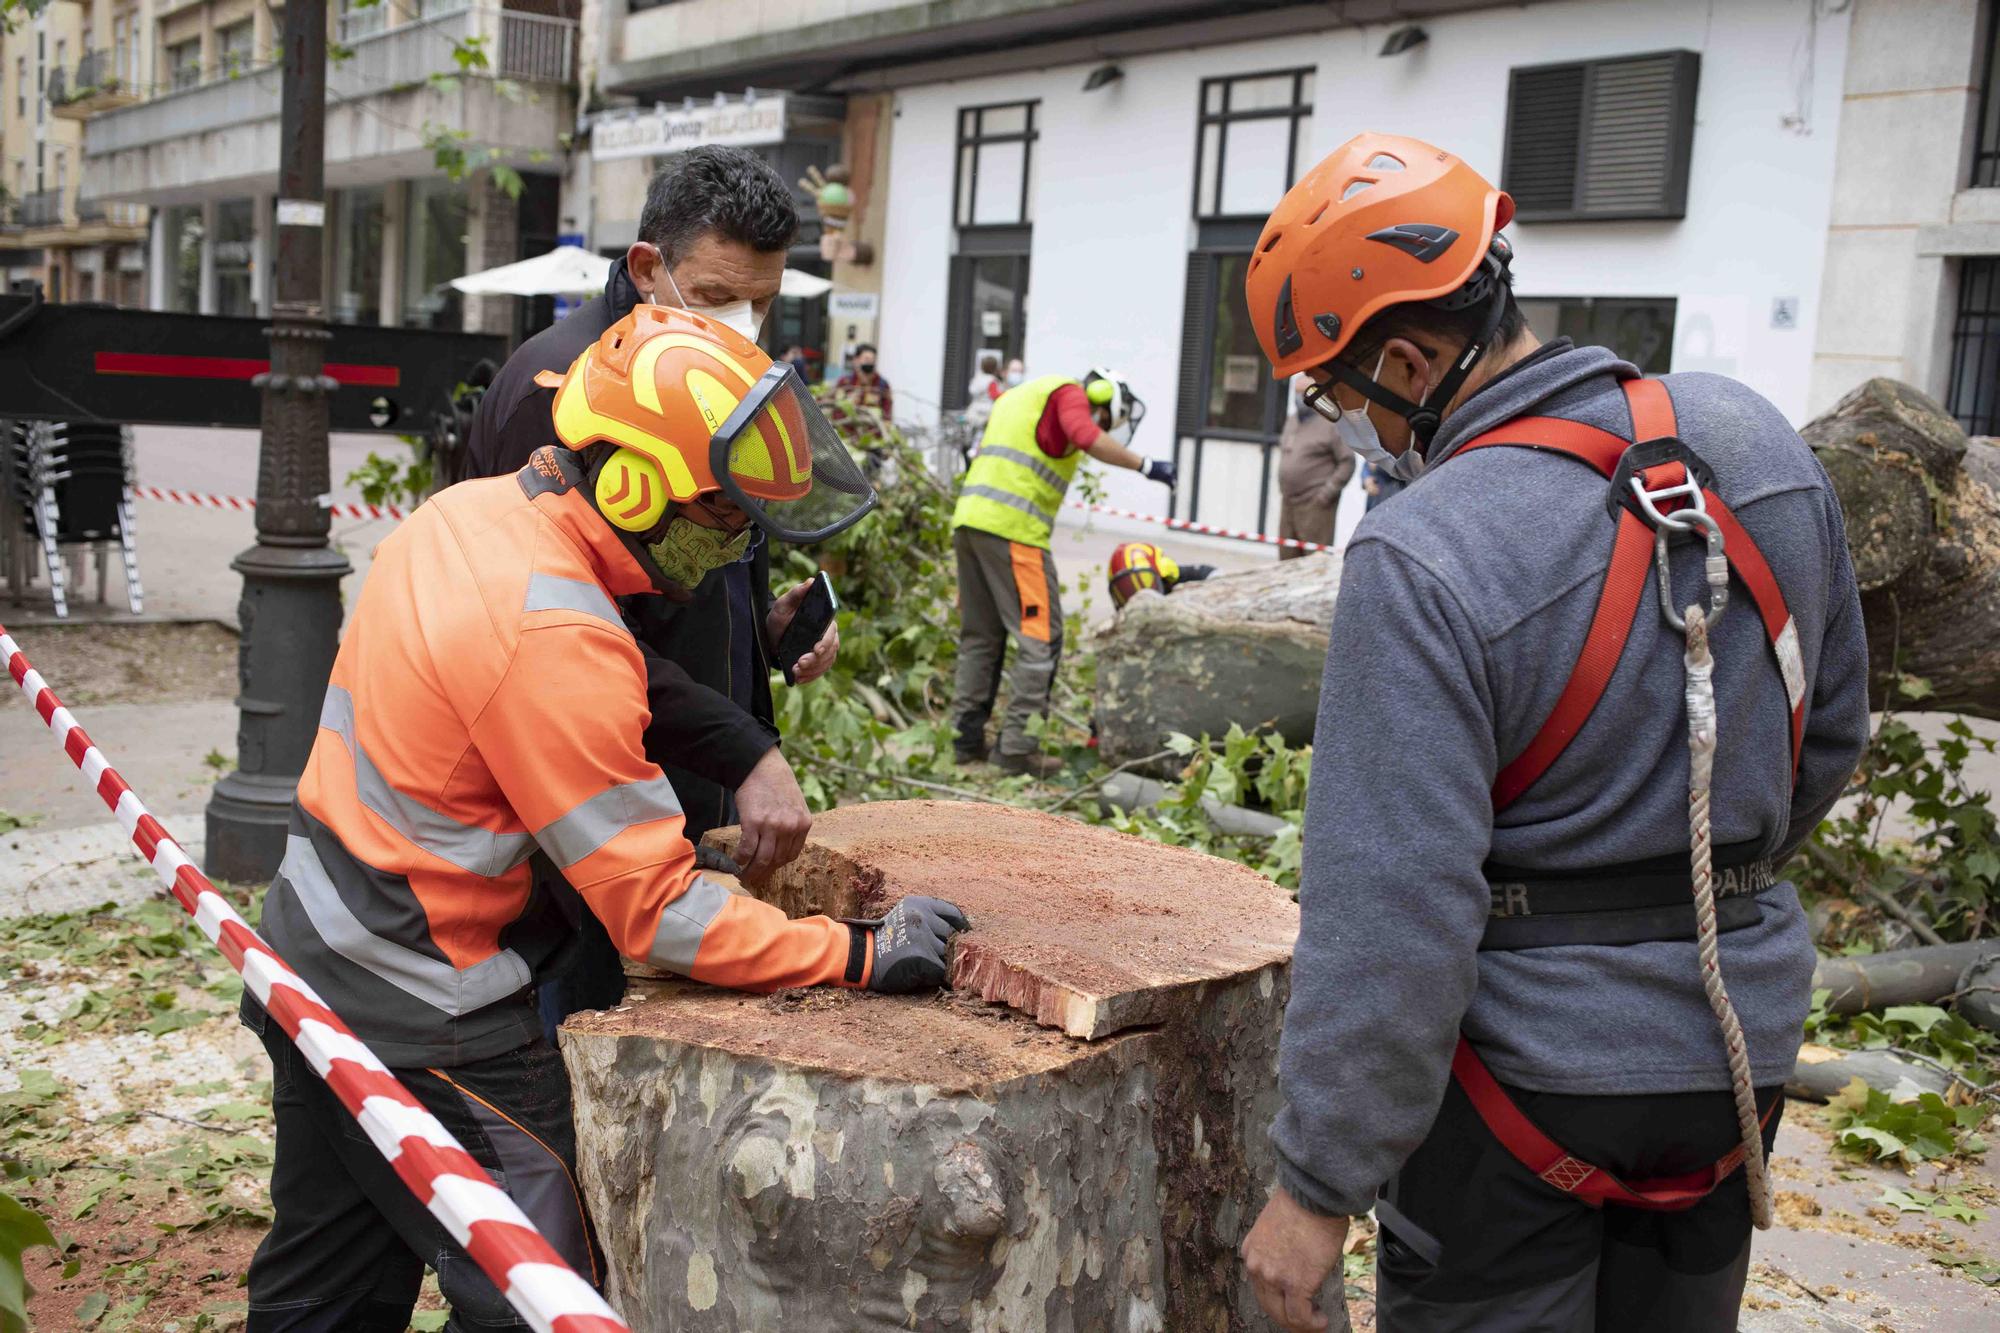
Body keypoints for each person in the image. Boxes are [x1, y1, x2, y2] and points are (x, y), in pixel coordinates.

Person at [1235, 133, 1869, 1332]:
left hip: (1518, 1092)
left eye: (1337, 393)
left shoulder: (1425, 550)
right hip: (1734, 1062)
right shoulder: (1754, 446)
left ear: (1411, 362)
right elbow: (1825, 737)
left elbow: (1391, 908)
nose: (1342, 423)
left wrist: (1317, 1183)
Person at [242, 304, 968, 1331]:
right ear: (632, 484)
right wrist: (855, 951)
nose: (736, 545)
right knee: (545, 1301)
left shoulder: (475, 515)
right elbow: (659, 915)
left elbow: (609, 675)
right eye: (724, 517)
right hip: (425, 1011)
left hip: (308, 956)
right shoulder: (554, 631)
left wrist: (742, 744)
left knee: (324, 1287)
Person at [463, 146, 832, 1040]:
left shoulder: (719, 369)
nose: (742, 325)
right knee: (583, 1017)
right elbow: (562, 635)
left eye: (764, 302)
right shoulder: (557, 394)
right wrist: (743, 746)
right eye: (714, 299)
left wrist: (764, 626)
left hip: (684, 782)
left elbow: (711, 547)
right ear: (646, 268)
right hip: (581, 813)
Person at [949, 367, 1176, 776]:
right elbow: (1085, 436)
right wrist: (1146, 466)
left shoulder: (1020, 396)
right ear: (1103, 397)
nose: (1100, 426)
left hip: (969, 523)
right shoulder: (1070, 394)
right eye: (1106, 419)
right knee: (1041, 641)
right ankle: (1017, 750)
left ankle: (965, 743)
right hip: (1014, 532)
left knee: (980, 638)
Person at [1276, 370, 1354, 558]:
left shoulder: (1331, 423)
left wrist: (1327, 493)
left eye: (1304, 393)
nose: (1299, 398)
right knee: (1287, 558)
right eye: (1296, 392)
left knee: (1313, 561)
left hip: (1315, 505)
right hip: (1289, 503)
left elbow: (1347, 462)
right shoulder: (1293, 420)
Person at [1106, 539, 1216, 609]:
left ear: (1162, 575)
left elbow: (1213, 574)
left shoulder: (1183, 578)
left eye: (1147, 586)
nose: (1140, 598)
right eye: (1127, 591)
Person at [833, 343, 894, 420]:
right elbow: (836, 408)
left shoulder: (882, 384)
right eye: (866, 359)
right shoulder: (845, 382)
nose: (869, 363)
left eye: (872, 360)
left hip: (872, 429)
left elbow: (887, 412)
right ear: (856, 360)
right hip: (847, 427)